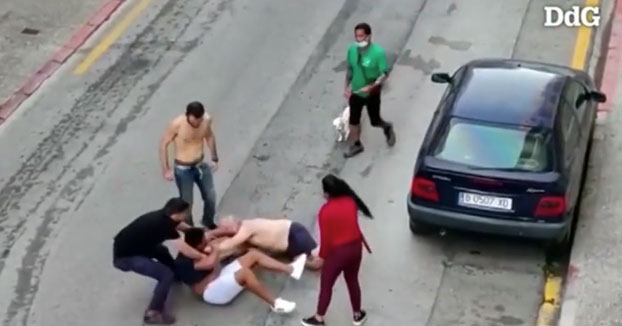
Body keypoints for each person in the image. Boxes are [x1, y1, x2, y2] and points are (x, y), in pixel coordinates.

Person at [112, 197, 208, 325]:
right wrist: (203, 256)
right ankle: (153, 312)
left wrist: (200, 233)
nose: (188, 214)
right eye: (186, 212)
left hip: (138, 247)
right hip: (126, 258)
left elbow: (183, 228)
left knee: (161, 251)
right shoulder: (163, 225)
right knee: (165, 275)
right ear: (177, 213)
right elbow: (183, 247)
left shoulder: (165, 216)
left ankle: (177, 274)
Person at [175, 227, 306, 312]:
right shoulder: (185, 262)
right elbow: (210, 264)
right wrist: (214, 249)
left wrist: (215, 239)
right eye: (204, 241)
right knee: (245, 273)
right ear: (197, 245)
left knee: (253, 255)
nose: (206, 242)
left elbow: (212, 261)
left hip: (218, 277)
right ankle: (275, 304)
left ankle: (290, 269)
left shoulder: (195, 250)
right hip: (211, 292)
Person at [301, 174, 373, 326]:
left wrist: (321, 257)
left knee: (326, 285)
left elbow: (326, 240)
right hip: (355, 248)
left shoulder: (325, 211)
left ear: (326, 193)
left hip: (338, 253)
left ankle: (319, 318)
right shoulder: (350, 202)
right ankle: (357, 315)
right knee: (352, 280)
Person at [159, 101, 219, 229]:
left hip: (200, 165)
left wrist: (214, 157)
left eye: (200, 119)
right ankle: (190, 230)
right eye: (195, 119)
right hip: (183, 169)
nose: (197, 122)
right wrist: (166, 169)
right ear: (188, 116)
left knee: (211, 196)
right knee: (187, 203)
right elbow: (163, 145)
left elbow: (209, 136)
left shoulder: (206, 120)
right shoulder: (177, 124)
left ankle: (208, 221)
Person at [343, 22, 396, 158]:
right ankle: (356, 144)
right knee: (353, 121)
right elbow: (350, 69)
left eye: (361, 36)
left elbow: (384, 74)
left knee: (375, 121)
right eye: (356, 36)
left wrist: (372, 86)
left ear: (369, 36)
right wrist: (346, 86)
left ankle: (387, 127)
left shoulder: (377, 53)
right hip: (356, 92)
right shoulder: (352, 50)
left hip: (372, 93)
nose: (358, 39)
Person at [212, 216, 324, 270]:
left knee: (318, 258)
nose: (227, 233)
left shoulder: (246, 228)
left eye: (226, 229)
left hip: (293, 234)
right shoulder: (246, 228)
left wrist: (209, 251)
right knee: (302, 261)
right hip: (289, 241)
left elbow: (229, 244)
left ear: (233, 225)